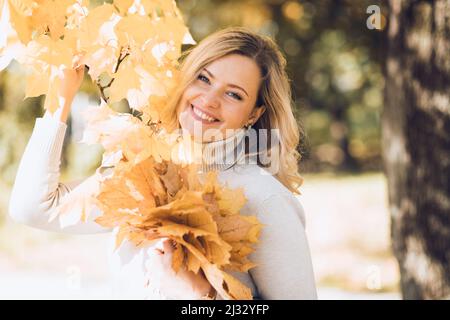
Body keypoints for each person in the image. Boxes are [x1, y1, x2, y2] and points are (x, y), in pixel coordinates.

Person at [8, 27, 317, 299]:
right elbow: (35, 207)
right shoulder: (144, 171)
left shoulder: (264, 198)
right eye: (203, 78)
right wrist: (60, 101)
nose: (209, 100)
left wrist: (200, 295)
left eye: (234, 95)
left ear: (253, 114)